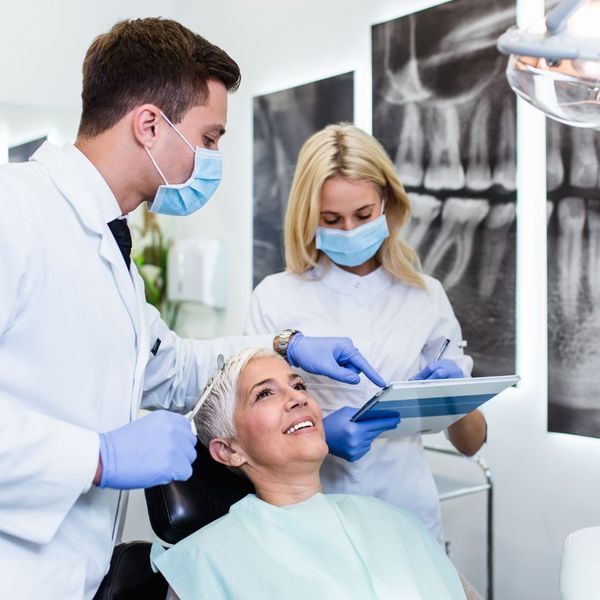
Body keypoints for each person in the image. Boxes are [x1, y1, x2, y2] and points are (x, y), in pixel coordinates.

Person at [0, 22, 385, 599]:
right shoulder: (16, 211)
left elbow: (172, 366)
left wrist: (283, 347)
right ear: (150, 125)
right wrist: (97, 458)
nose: (212, 158)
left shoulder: (108, 250)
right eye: (209, 138)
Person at [245, 123, 487, 543]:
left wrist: (458, 400)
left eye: (363, 214)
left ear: (387, 205)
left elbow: (471, 443)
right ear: (308, 216)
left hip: (407, 514)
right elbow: (247, 434)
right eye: (331, 220)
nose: (350, 231)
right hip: (311, 516)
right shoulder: (275, 297)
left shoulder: (426, 297)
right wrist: (321, 434)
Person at [153, 348, 477, 600]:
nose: (297, 398)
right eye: (264, 393)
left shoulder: (398, 524)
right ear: (229, 451)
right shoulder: (207, 564)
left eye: (298, 385)